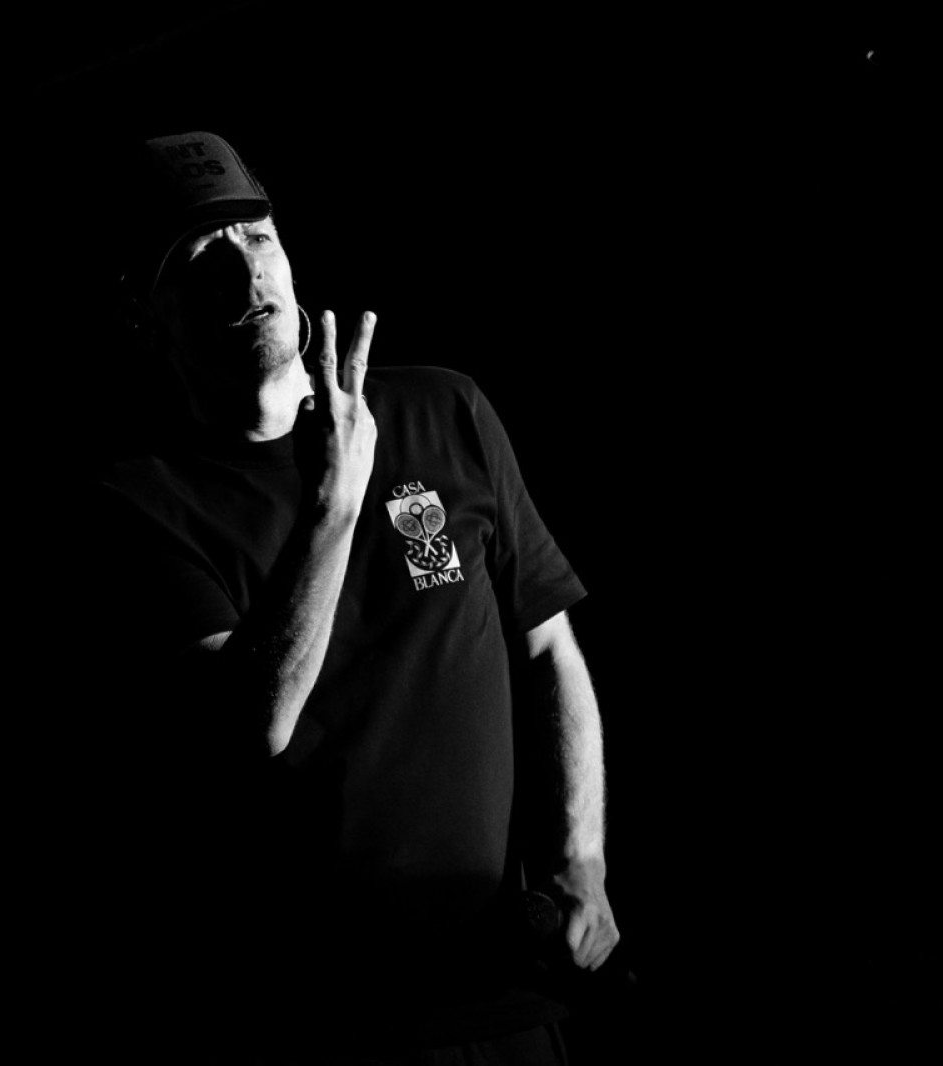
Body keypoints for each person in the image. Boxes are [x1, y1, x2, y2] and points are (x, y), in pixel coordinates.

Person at [95, 131, 619, 1064]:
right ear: (144, 312)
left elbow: (548, 647)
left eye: (258, 237)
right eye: (201, 257)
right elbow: (248, 728)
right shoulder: (140, 504)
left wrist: (580, 857)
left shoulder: (444, 408)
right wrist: (336, 499)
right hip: (318, 1028)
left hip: (504, 997)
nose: (247, 273)